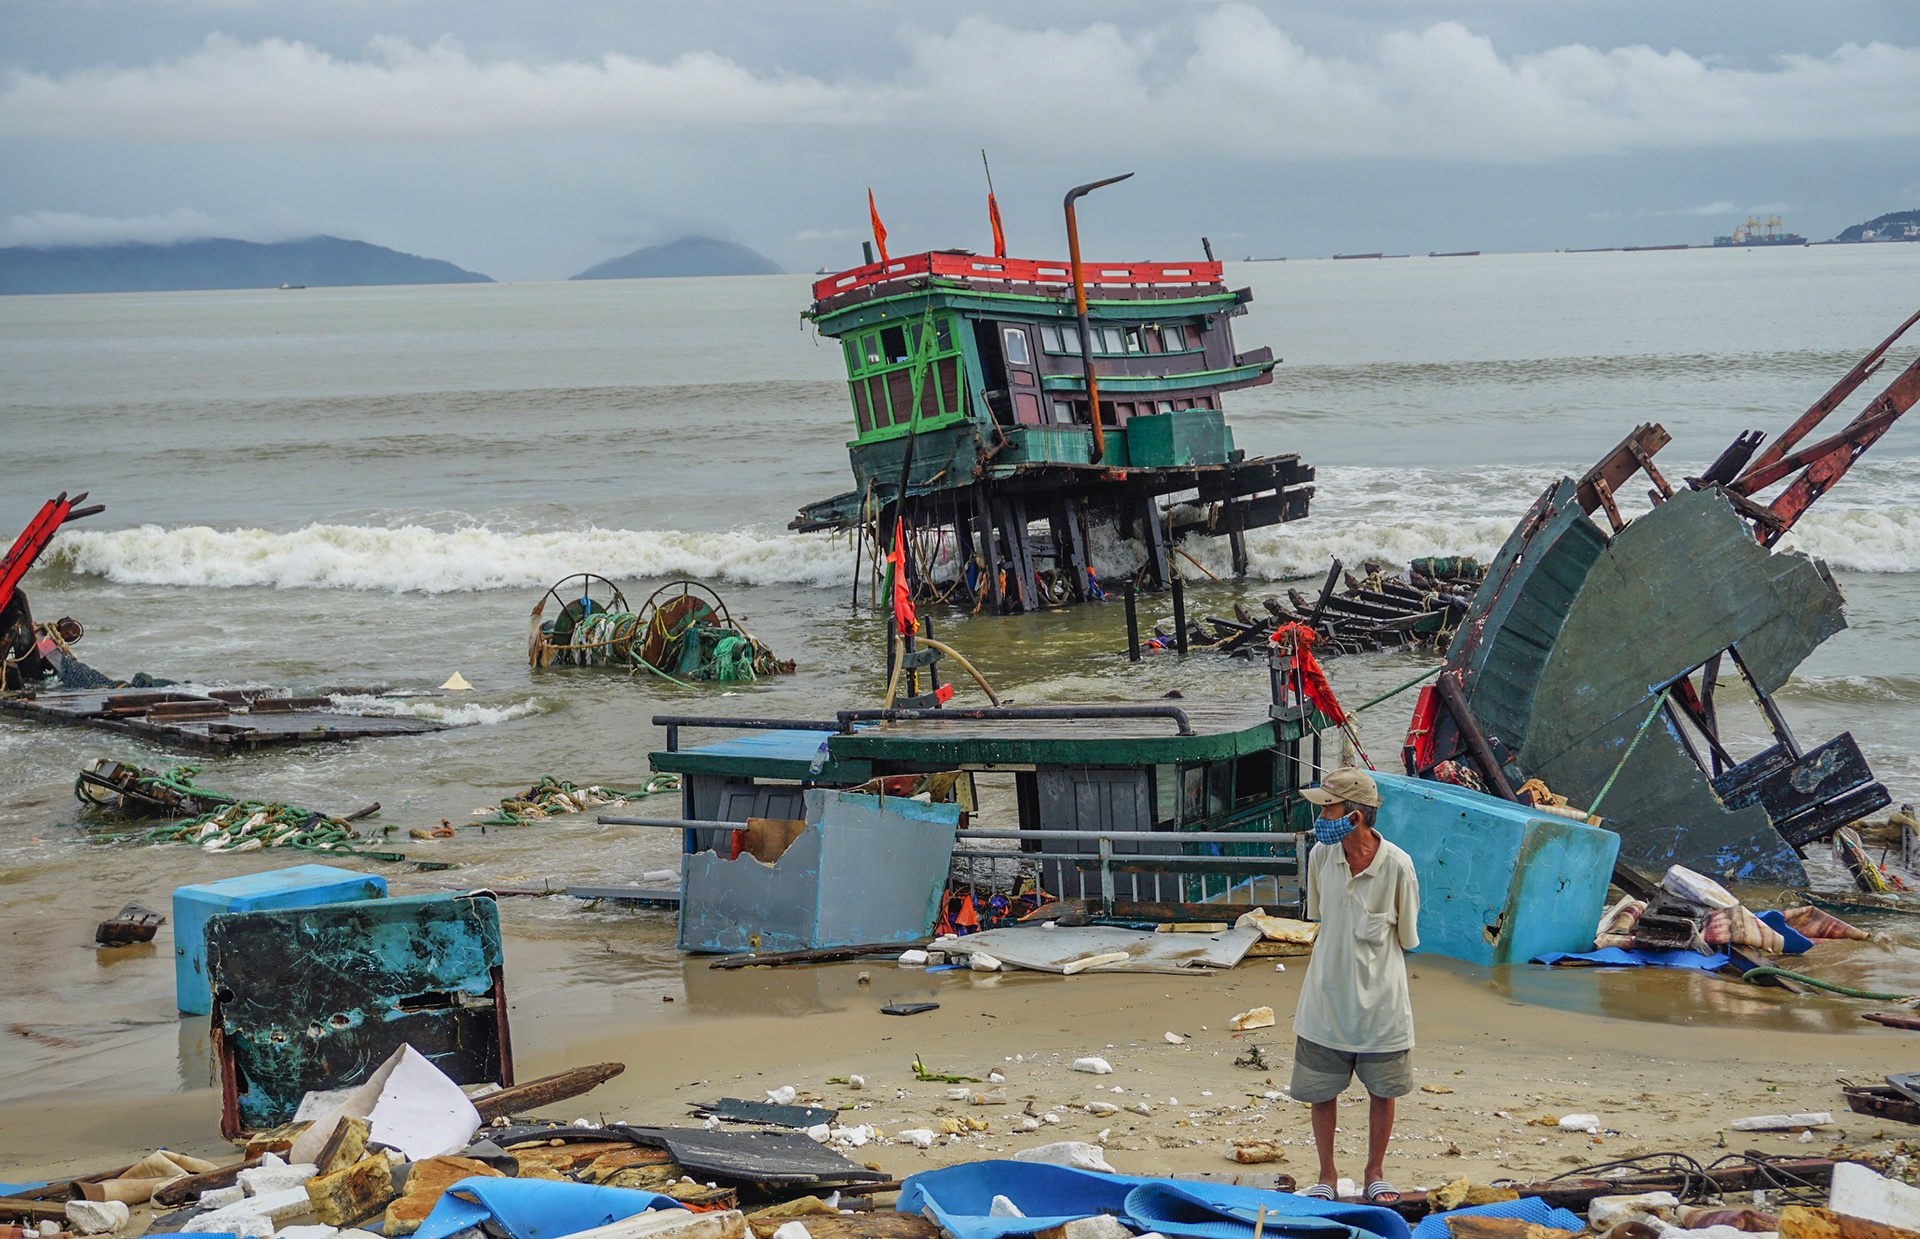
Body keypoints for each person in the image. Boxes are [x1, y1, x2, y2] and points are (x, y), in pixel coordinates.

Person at [1291, 766, 1420, 1204]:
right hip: (1324, 1000)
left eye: (1328, 807)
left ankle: (1374, 1174)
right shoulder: (1320, 858)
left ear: (1355, 816)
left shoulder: (1399, 866)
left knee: (1383, 1092)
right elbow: (1321, 916)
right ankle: (1327, 1176)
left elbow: (1406, 939)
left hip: (1382, 1007)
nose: (1320, 816)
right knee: (1321, 1093)